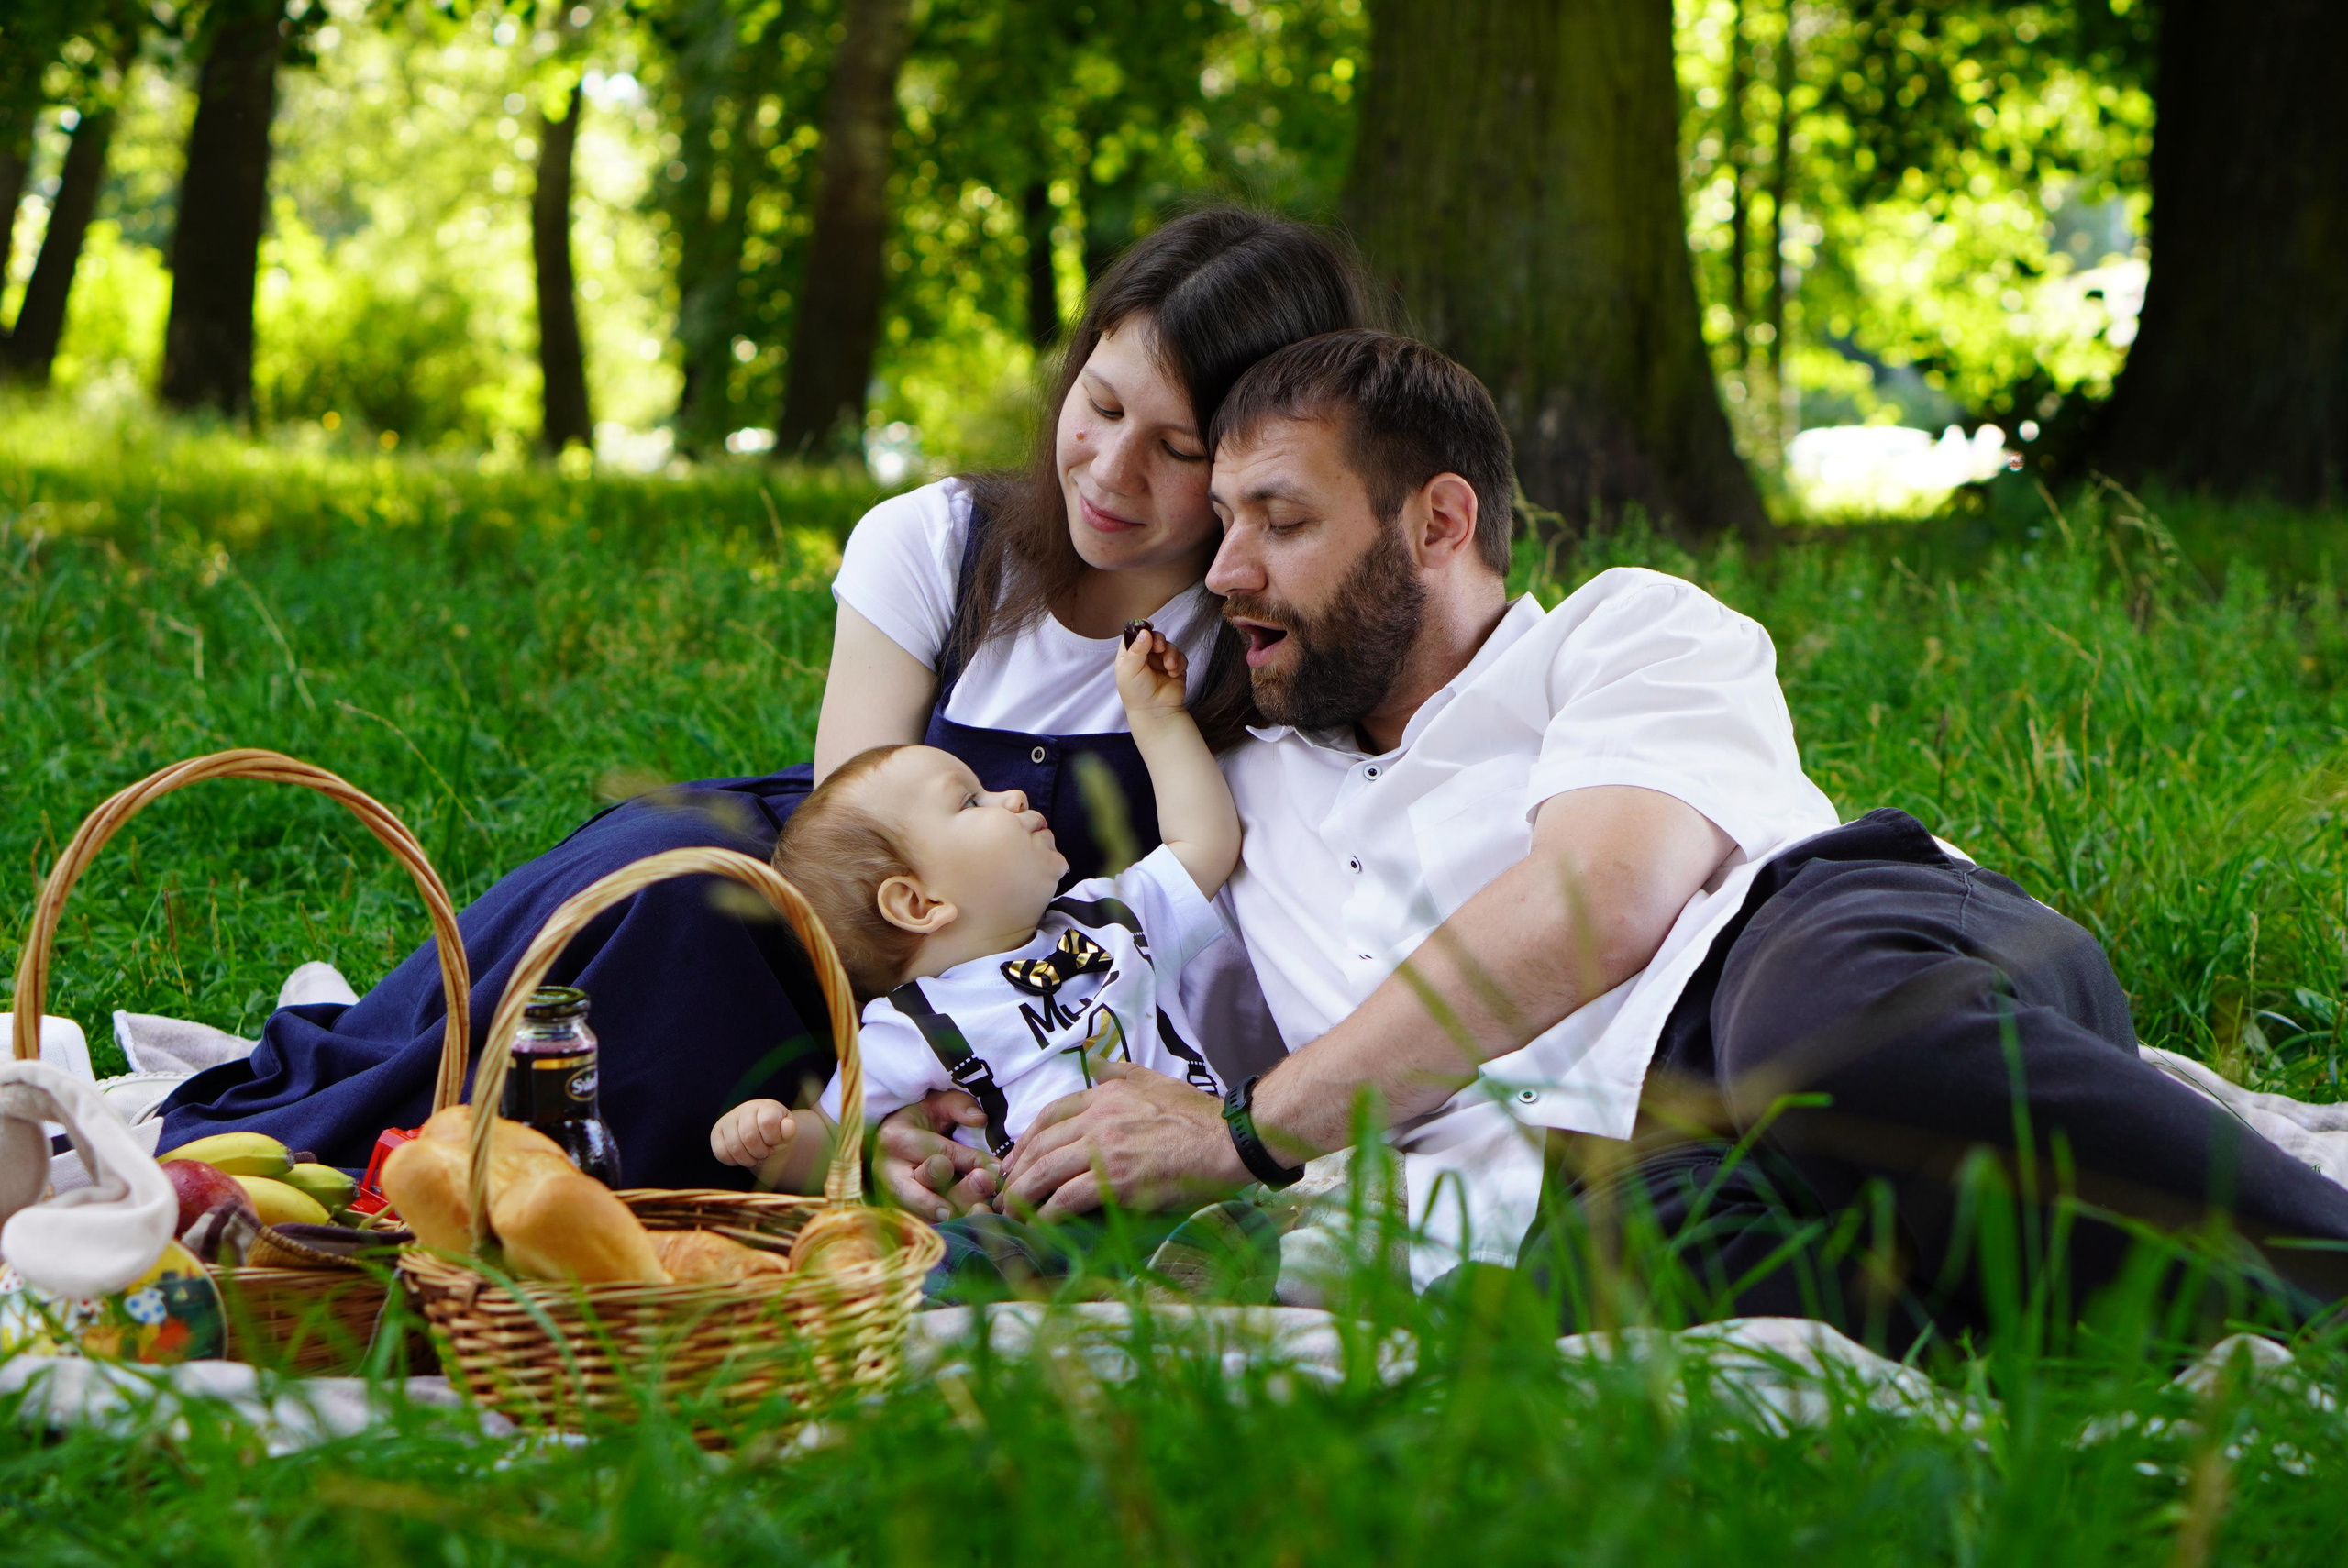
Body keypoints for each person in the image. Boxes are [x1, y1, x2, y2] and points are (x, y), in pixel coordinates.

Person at [884, 327, 2348, 1342]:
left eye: (1280, 520)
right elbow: (1053, 961)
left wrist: (1254, 1135)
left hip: (1813, 947)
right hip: (1619, 1159)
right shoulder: (1236, 788)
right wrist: (914, 1104)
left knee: (1829, 1045)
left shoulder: (1623, 630)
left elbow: (1609, 895)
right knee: (1609, 1273)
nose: (1230, 569)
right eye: (1225, 529)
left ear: (1439, 522)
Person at [156, 207, 1375, 1189]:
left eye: (1176, 448)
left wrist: (915, 1092)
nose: (1111, 472)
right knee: (680, 893)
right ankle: (335, 1148)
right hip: (841, 926)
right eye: (1101, 406)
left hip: (1020, 1015)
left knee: (689, 981)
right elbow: (850, 839)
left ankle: (511, 1189)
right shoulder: (944, 546)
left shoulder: (1254, 633)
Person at [710, 628, 1238, 1203]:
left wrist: (1158, 718)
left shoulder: (1109, 917)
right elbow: (838, 1135)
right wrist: (776, 1141)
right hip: (1058, 1226)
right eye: (970, 801)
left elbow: (1204, 842)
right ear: (919, 904)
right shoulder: (916, 1024)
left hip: (1204, 1172)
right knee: (961, 1259)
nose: (1011, 796)